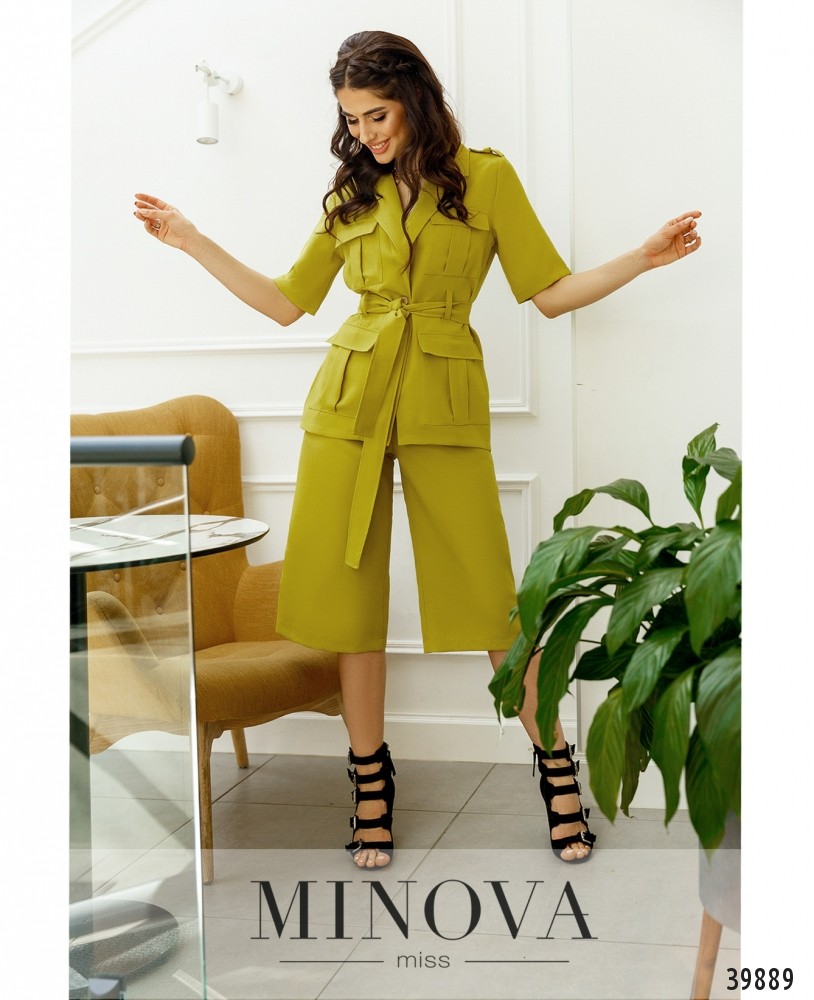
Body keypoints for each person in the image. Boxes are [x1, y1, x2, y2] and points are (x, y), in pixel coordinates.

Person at [134, 30, 701, 871]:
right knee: (349, 607)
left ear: (414, 100)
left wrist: (642, 260)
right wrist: (191, 239)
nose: (365, 132)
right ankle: (370, 784)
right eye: (351, 119)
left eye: (378, 114)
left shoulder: (486, 178)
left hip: (444, 403)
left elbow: (549, 293)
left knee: (492, 602)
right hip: (346, 407)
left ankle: (556, 769)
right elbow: (287, 303)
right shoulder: (349, 196)